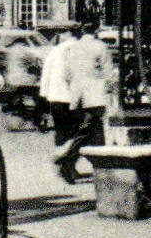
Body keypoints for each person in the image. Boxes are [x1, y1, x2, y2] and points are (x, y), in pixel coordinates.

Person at [59, 16, 113, 183]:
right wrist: (110, 91)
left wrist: (74, 88)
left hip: (78, 96)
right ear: (96, 30)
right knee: (89, 132)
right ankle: (68, 162)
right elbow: (108, 73)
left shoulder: (72, 48)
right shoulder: (101, 47)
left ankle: (101, 168)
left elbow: (66, 74)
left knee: (91, 132)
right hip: (95, 96)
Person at [40, 22, 80, 155]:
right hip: (74, 97)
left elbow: (46, 73)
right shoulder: (81, 48)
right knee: (74, 132)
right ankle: (67, 161)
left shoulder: (56, 50)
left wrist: (44, 94)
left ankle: (59, 156)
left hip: (56, 96)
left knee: (60, 130)